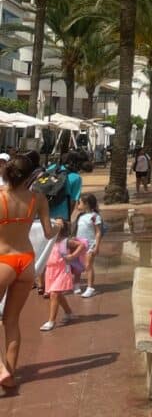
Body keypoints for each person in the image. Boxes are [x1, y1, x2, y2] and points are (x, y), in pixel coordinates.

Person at [0, 154, 60, 386]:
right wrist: (58, 226)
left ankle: (1, 369)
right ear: (30, 176)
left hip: (3, 260)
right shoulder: (38, 198)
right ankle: (9, 373)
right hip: (25, 262)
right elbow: (47, 233)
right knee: (12, 320)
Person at [40, 218, 84, 331]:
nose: (55, 224)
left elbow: (81, 245)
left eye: (59, 223)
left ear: (63, 227)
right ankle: (69, 313)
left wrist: (72, 256)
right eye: (54, 222)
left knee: (54, 294)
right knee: (57, 294)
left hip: (62, 271)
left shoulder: (66, 241)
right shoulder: (48, 240)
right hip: (50, 271)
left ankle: (51, 321)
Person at [72, 194, 103, 298]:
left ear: (87, 204)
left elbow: (98, 232)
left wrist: (96, 246)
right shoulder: (80, 216)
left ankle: (90, 288)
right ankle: (76, 284)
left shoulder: (94, 217)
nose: (77, 205)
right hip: (79, 244)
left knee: (88, 265)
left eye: (79, 203)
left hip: (90, 244)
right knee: (77, 266)